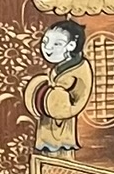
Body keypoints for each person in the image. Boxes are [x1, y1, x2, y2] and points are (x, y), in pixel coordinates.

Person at [23, 20, 95, 155]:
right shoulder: (62, 66)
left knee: (60, 161)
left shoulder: (78, 70)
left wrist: (50, 96)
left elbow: (68, 105)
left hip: (61, 129)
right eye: (45, 42)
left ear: (71, 45)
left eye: (57, 44)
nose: (47, 48)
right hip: (48, 125)